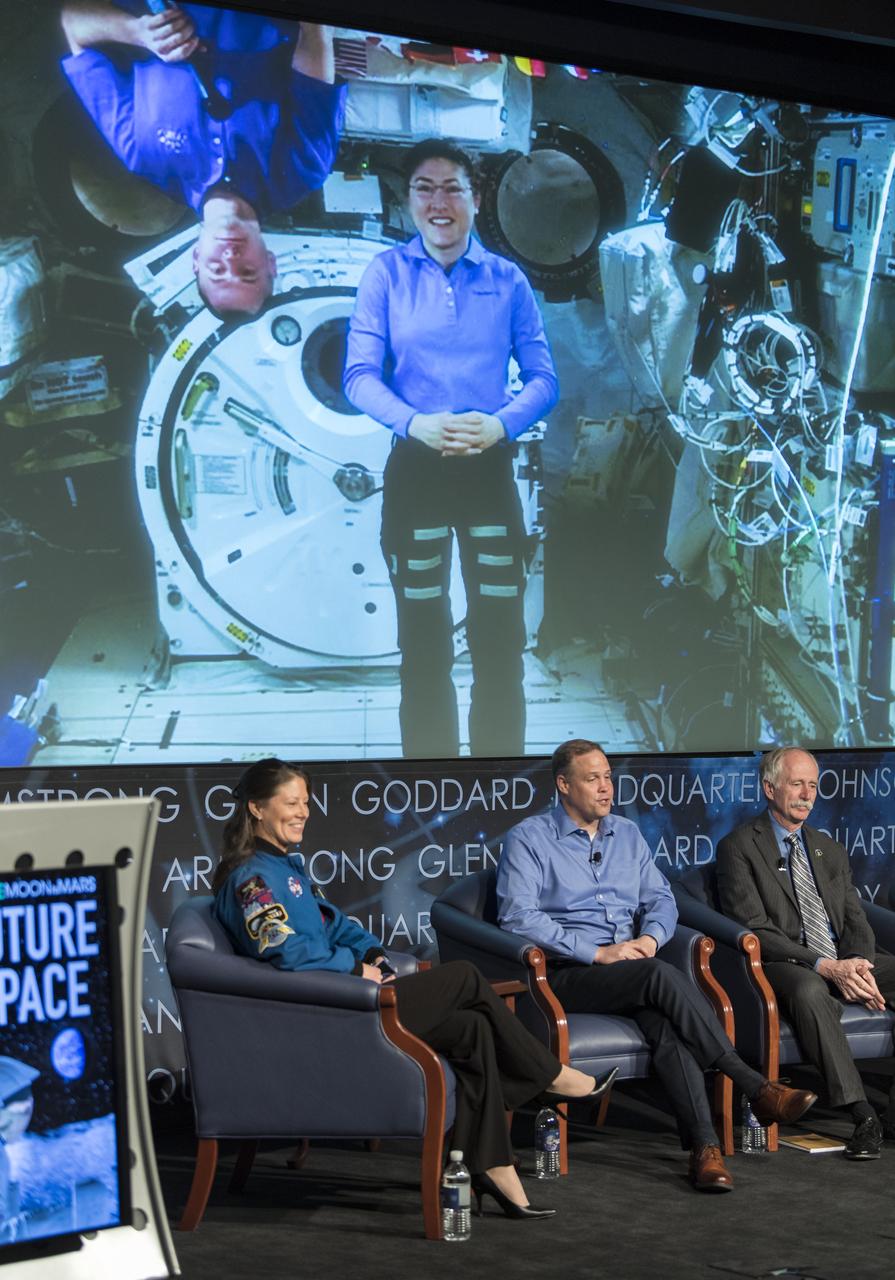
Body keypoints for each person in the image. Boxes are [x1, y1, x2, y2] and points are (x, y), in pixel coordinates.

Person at [211, 757, 616, 1220]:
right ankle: (547, 1077)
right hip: (327, 1021)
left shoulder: (287, 867)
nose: (303, 811)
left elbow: (337, 925)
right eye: (291, 803)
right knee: (463, 976)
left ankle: (491, 1165)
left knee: (471, 1029)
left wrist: (374, 955)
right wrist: (353, 969)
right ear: (258, 809)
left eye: (305, 802)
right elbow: (285, 952)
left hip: (347, 1004)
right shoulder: (252, 879)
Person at [496, 738, 818, 1192]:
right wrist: (597, 952)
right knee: (657, 976)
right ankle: (753, 1083)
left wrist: (650, 937)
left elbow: (662, 899)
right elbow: (517, 916)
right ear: (564, 785)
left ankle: (704, 1150)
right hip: (564, 975)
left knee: (667, 1028)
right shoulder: (529, 839)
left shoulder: (626, 835)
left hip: (631, 971)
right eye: (593, 779)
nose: (606, 788)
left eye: (608, 777)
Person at [343, 140, 559, 759]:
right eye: (425, 188)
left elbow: (544, 379)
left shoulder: (507, 280)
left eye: (452, 188)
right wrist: (413, 423)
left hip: (488, 473)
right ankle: (428, 780)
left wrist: (501, 426)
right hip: (416, 474)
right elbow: (359, 374)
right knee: (423, 638)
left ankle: (498, 780)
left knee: (499, 638)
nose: (439, 202)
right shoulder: (386, 274)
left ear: (476, 198)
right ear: (408, 199)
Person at [59, 3, 345, 318]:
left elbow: (73, 23)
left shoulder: (142, 157)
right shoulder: (305, 169)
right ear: (270, 261)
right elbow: (314, 33)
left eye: (216, 270)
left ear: (196, 259)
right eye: (247, 271)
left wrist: (138, 33)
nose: (231, 257)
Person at [716, 746, 895, 1160]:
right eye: (797, 784)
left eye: (813, 785)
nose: (807, 794)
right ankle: (863, 1115)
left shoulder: (827, 848)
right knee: (811, 991)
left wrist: (859, 966)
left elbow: (855, 918)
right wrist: (825, 965)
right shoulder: (740, 847)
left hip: (839, 959)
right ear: (770, 788)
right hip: (786, 964)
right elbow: (755, 928)